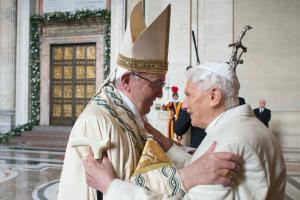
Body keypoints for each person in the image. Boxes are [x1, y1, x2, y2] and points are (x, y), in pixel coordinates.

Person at [57, 3, 240, 200]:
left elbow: (134, 179)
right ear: (127, 81)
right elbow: (110, 189)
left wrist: (191, 161)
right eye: (156, 84)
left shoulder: (131, 117)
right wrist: (188, 175)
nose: (161, 94)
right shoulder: (98, 122)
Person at [83, 62, 286, 200]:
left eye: (188, 95)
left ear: (214, 96)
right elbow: (201, 166)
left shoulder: (232, 142)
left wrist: (111, 187)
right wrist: (159, 137)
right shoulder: (244, 127)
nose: (185, 105)